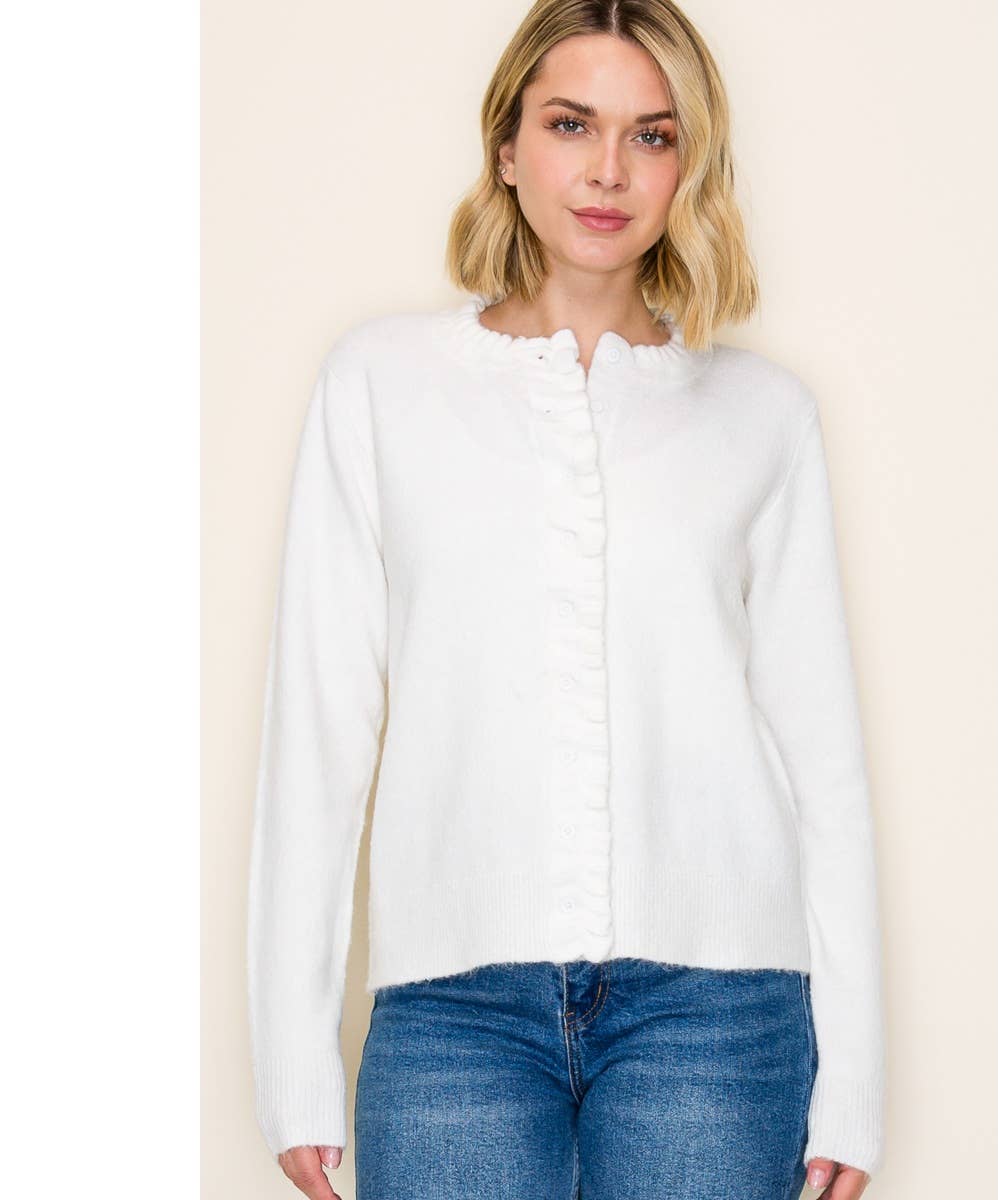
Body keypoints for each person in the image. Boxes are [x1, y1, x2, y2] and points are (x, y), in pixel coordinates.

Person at [246, 2, 886, 1198]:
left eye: (653, 135)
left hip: (719, 1013)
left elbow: (823, 763)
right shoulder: (380, 384)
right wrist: (293, 1055)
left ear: (691, 163)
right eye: (571, 124)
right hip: (453, 1012)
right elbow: (317, 731)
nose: (608, 171)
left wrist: (853, 1078)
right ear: (506, 147)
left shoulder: (763, 416)